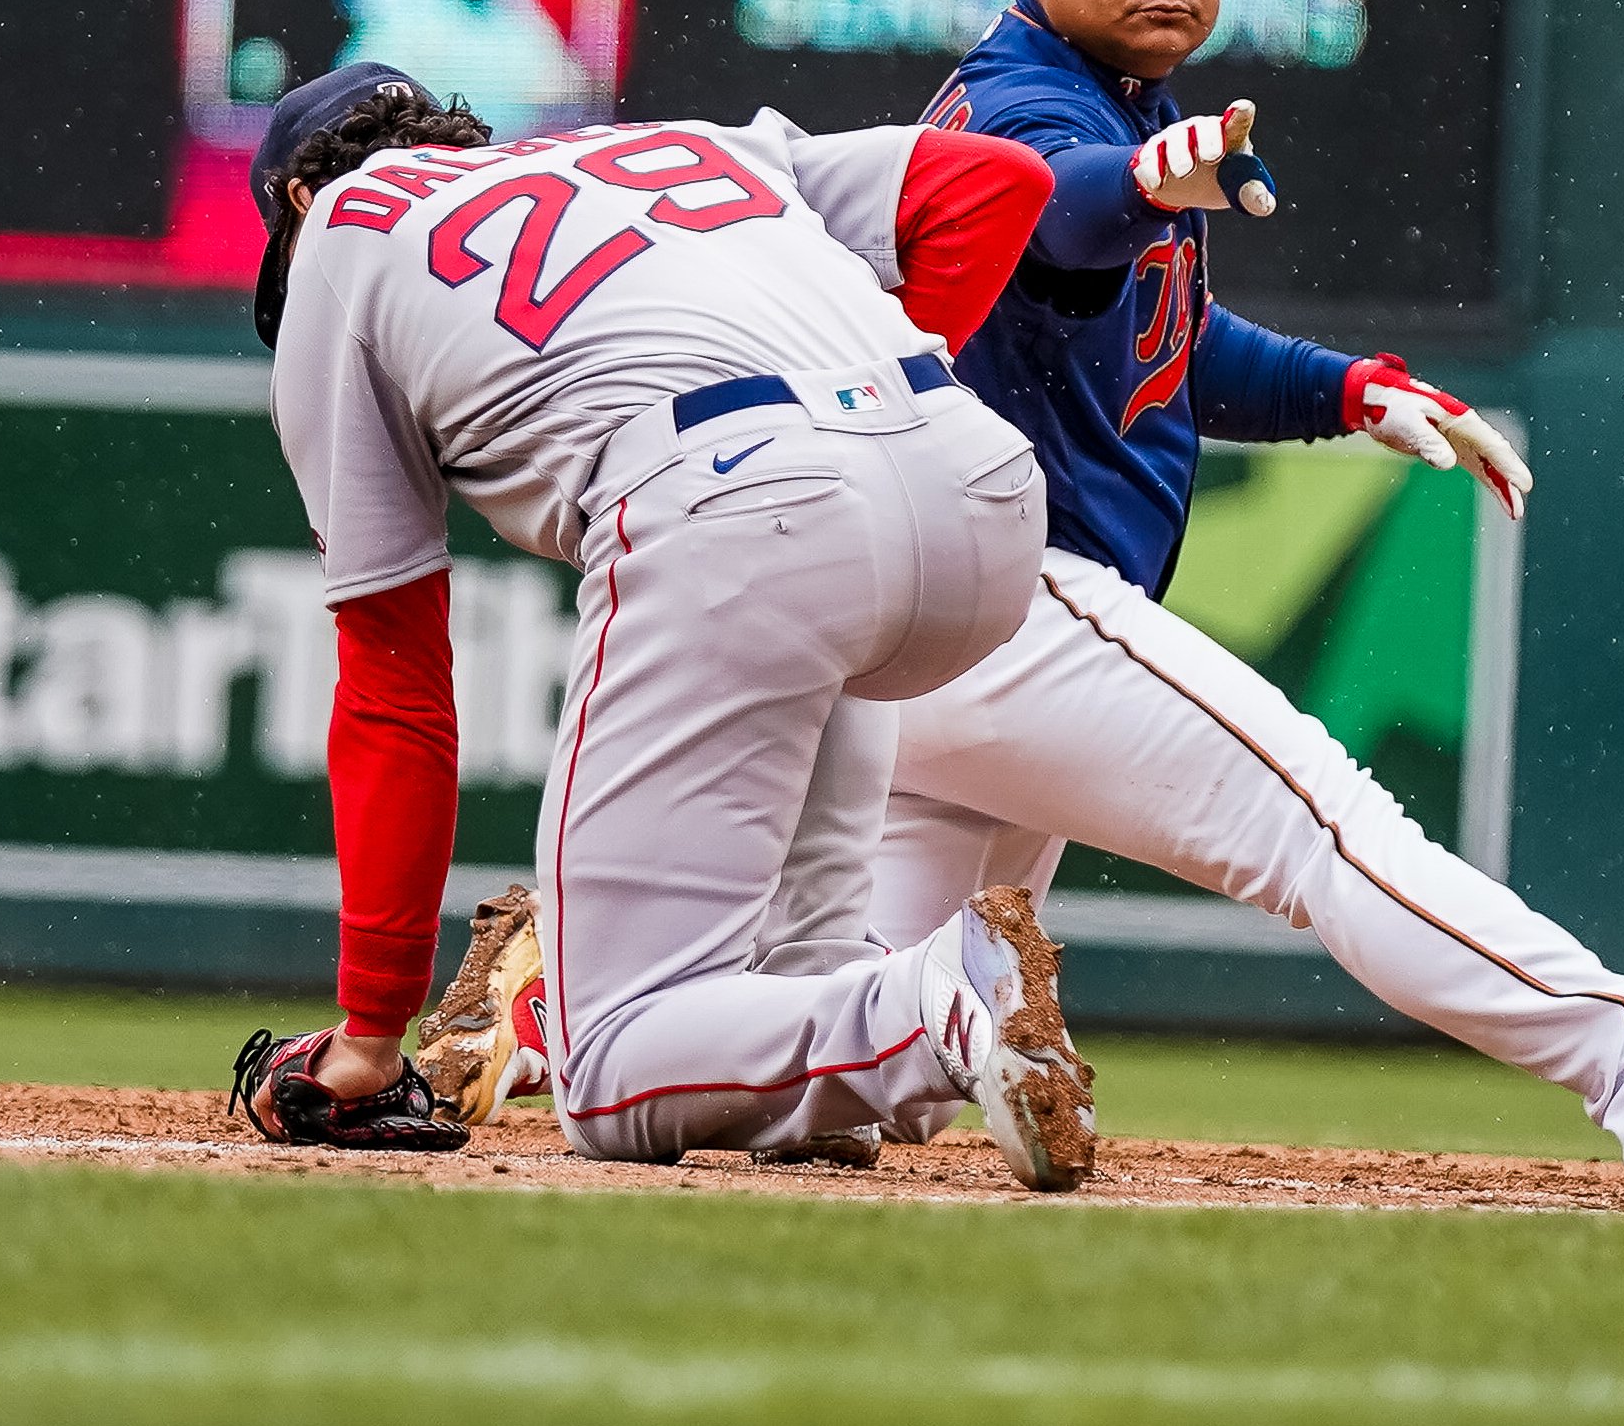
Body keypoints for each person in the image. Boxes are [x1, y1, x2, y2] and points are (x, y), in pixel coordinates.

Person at [423, 0, 1624, 1162]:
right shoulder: (1027, 107)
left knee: (859, 1040)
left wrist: (1349, 389)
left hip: (918, 640)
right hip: (1007, 604)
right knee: (1324, 829)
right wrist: (1136, 186)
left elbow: (1165, 339)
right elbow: (1055, 215)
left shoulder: (1127, 114)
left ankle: (573, 1016)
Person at [225, 61, 1101, 1189]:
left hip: (744, 502)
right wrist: (868, 407)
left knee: (609, 1065)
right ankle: (818, 1074)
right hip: (977, 484)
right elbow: (991, 182)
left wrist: (368, 1036)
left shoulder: (344, 226)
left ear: (296, 196)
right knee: (790, 926)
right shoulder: (676, 140)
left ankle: (933, 998)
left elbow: (394, 684)